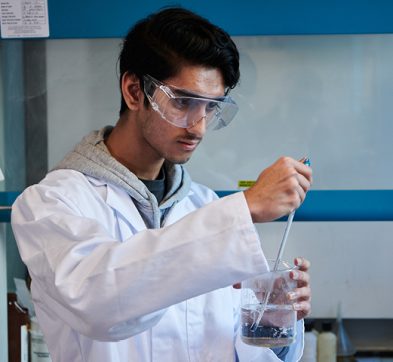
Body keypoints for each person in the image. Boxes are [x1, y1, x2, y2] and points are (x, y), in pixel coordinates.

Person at [11, 7, 313, 362]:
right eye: (184, 102)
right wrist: (244, 208)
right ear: (134, 91)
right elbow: (99, 303)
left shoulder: (203, 206)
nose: (198, 127)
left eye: (211, 107)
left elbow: (234, 345)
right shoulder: (50, 204)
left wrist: (274, 322)